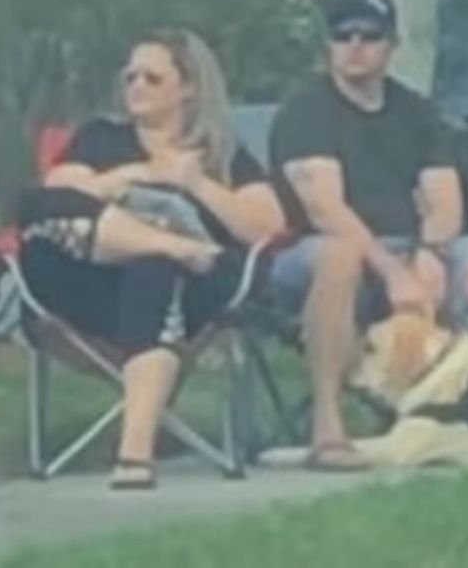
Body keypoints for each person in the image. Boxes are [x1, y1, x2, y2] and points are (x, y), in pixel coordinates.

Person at [268, 0, 468, 470]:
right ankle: (329, 429)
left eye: (369, 35)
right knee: (340, 255)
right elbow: (326, 211)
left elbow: (445, 202)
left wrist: (430, 254)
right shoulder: (305, 112)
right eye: (342, 35)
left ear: (391, 46)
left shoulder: (416, 112)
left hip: (412, 246)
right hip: (318, 257)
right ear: (328, 45)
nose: (354, 46)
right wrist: (395, 274)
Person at [17, 27, 285, 489]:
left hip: (194, 289)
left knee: (154, 274)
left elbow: (266, 227)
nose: (136, 85)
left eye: (152, 78)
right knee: (41, 205)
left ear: (189, 87)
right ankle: (170, 245)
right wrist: (137, 175)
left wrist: (196, 184)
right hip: (93, 280)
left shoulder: (220, 153)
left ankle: (135, 455)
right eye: (131, 77)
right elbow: (58, 193)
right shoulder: (101, 137)